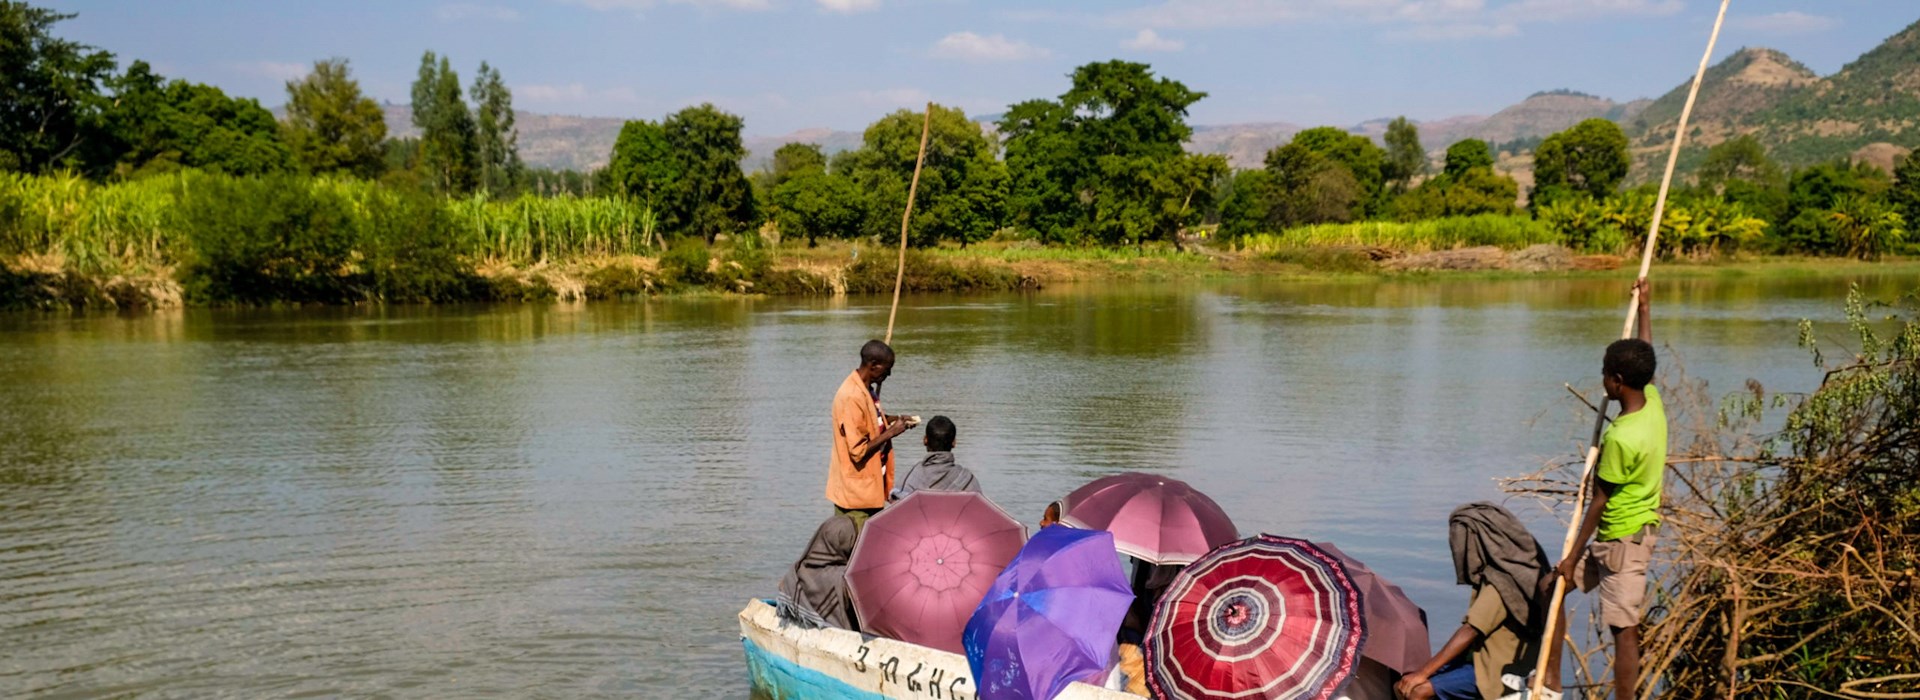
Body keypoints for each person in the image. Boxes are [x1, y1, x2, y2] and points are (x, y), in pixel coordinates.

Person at [1543, 279, 1664, 700]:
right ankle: (1550, 684)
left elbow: (1599, 501)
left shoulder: (1622, 437)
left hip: (1624, 541)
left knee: (1623, 629)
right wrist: (1644, 309)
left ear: (1616, 381)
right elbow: (1644, 355)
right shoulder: (1652, 400)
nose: (1602, 382)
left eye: (1603, 375)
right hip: (1609, 542)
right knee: (1551, 591)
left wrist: (1571, 556)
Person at [1395, 502, 1550, 700]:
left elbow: (1470, 630)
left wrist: (1422, 673)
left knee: (1417, 691)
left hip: (1495, 670)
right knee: (1402, 685)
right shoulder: (1521, 573)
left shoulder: (1502, 583)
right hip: (1483, 659)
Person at [828, 340, 913, 527]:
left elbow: (869, 423)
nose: (889, 374)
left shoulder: (866, 389)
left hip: (870, 492)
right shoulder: (852, 396)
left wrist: (895, 420)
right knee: (858, 550)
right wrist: (891, 432)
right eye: (887, 368)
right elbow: (857, 451)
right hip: (855, 499)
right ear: (873, 365)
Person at [775, 513, 860, 631]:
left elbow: (781, 588)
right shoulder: (845, 579)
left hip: (804, 623)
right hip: (837, 633)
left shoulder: (795, 572)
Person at [889, 415, 981, 502]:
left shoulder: (912, 476)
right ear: (954, 443)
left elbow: (897, 502)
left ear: (925, 440)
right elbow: (979, 506)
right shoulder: (967, 478)